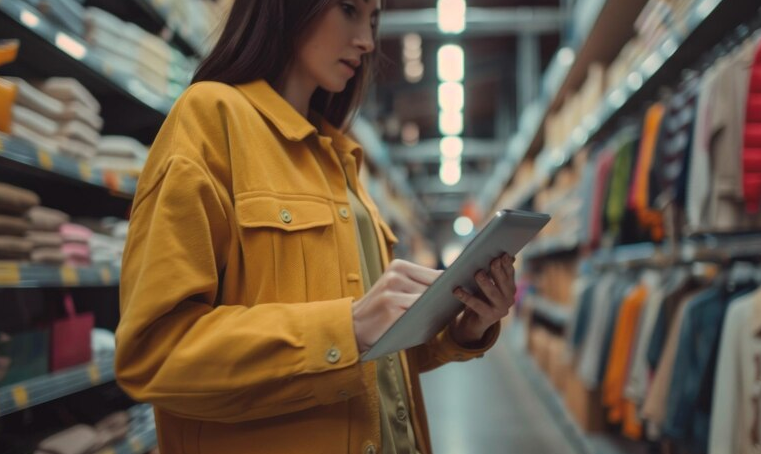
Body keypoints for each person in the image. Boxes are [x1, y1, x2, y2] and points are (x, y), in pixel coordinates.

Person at [114, 1, 517, 453]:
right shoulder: (210, 118)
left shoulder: (340, 159)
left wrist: (465, 325)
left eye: (374, 19)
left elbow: (378, 360)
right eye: (349, 9)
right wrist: (346, 328)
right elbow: (154, 356)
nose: (366, 40)